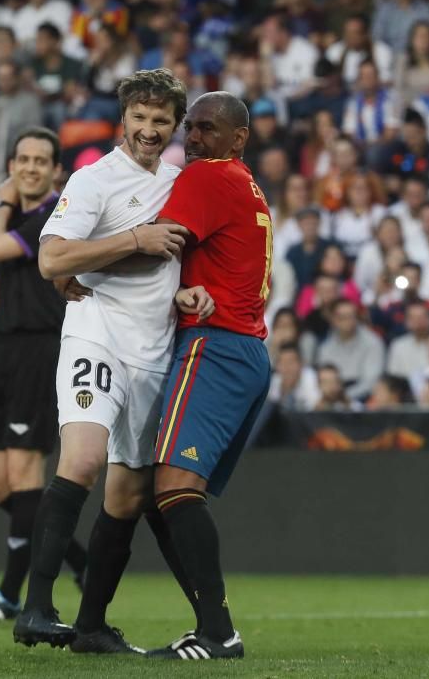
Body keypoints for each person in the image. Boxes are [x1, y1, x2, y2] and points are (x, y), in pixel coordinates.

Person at [12, 69, 206, 652]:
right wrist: (133, 240)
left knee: (126, 496)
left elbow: (176, 261)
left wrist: (186, 292)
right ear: (123, 121)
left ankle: (91, 626)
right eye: (140, 119)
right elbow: (52, 258)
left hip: (155, 351)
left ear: (175, 126)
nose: (149, 131)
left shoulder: (180, 183)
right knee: (83, 458)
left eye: (160, 121)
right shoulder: (94, 179)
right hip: (96, 335)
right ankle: (37, 607)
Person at [143, 91, 271, 660]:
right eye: (189, 128)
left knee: (173, 489)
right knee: (162, 491)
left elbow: (155, 243)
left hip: (214, 344)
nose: (192, 138)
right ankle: (212, 628)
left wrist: (74, 262)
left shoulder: (209, 177)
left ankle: (218, 633)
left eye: (208, 128)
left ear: (238, 138)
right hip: (241, 349)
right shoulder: (243, 182)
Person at [0, 127, 87, 621]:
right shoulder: (14, 218)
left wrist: (3, 203)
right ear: (13, 164)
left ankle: (10, 595)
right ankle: (79, 558)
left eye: (40, 160)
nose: (30, 167)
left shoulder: (54, 214)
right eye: (23, 159)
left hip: (40, 349)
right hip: (5, 353)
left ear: (55, 170)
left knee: (25, 475)